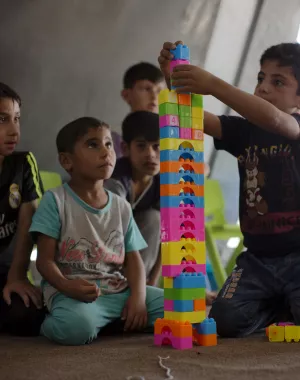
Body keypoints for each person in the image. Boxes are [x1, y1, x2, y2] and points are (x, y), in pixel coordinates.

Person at [158, 41, 300, 337]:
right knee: (225, 319)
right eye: (261, 78)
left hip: (297, 256)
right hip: (257, 259)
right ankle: (277, 308)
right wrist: (175, 78)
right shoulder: (243, 132)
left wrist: (212, 84)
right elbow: (194, 117)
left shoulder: (295, 126)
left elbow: (278, 121)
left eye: (278, 82)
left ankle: (286, 305)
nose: (263, 88)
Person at [29, 117, 164, 345]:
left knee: (181, 309)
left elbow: (134, 260)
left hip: (117, 290)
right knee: (75, 328)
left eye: (109, 144)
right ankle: (56, 322)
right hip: (73, 295)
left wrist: (139, 298)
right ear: (66, 160)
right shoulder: (55, 201)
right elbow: (44, 261)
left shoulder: (121, 206)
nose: (106, 152)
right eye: (93, 144)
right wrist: (66, 285)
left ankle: (111, 320)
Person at [0, 82, 45, 336]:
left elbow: (29, 224)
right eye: (2, 119)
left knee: (28, 316)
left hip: (6, 272)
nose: (13, 130)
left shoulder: (23, 163)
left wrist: (17, 276)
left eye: (17, 119)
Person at [105, 111, 161, 286]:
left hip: (138, 265)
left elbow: (169, 240)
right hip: (105, 249)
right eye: (142, 146)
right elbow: (108, 227)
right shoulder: (115, 180)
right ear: (125, 149)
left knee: (155, 219)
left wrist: (152, 282)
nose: (150, 154)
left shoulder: (165, 183)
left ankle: (138, 286)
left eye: (157, 147)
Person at [112, 62, 165, 159]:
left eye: (159, 91)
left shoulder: (171, 138)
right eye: (146, 89)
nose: (154, 97)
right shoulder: (113, 140)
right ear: (126, 95)